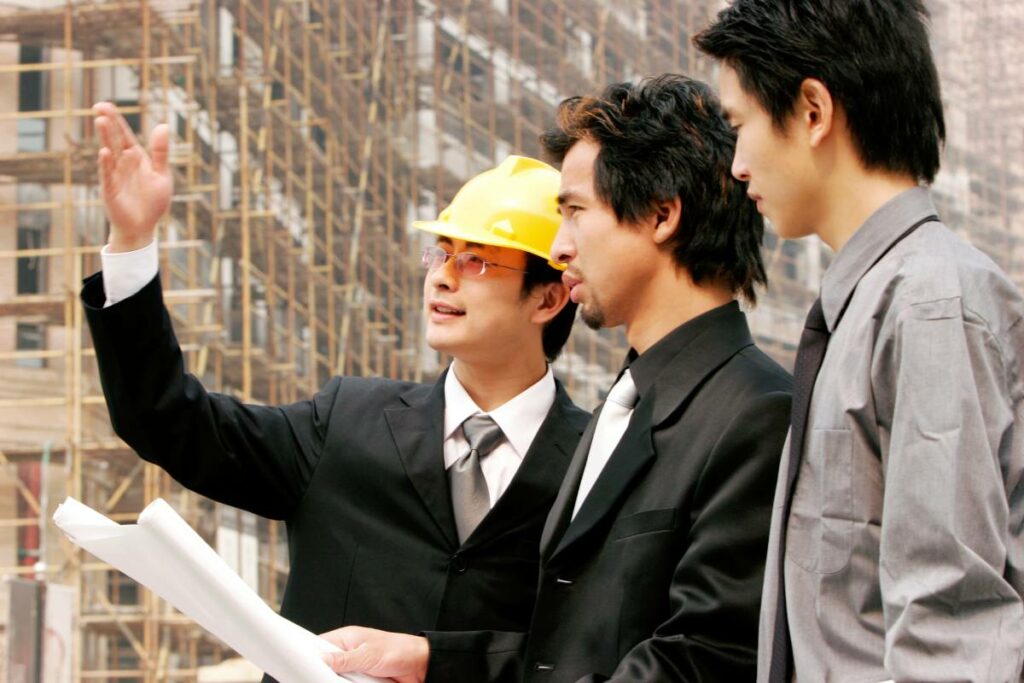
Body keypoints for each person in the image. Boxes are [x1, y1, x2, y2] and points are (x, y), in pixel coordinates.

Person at [83, 103, 590, 676]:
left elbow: (603, 654)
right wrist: (131, 243)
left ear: (548, 299)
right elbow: (164, 417)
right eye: (441, 253)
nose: (443, 276)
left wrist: (435, 660)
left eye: (478, 262)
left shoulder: (598, 464)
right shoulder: (348, 421)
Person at [321, 74, 793, 682]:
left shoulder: (755, 413)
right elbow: (570, 651)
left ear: (662, 214)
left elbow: (707, 659)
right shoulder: (624, 406)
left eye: (574, 213)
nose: (560, 247)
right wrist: (430, 660)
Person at [695, 2, 1024, 681]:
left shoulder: (931, 302)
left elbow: (952, 631)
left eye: (740, 125)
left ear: (812, 110)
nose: (737, 165)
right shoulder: (873, 304)